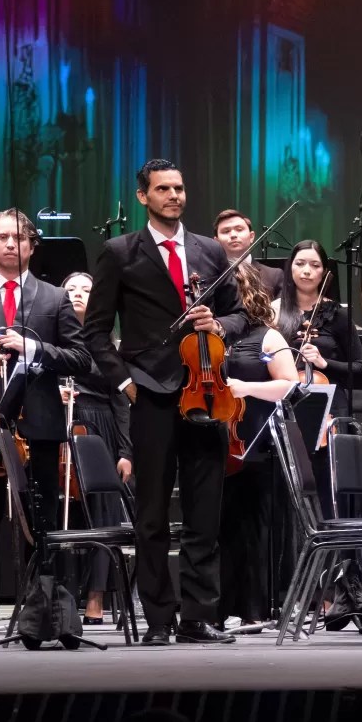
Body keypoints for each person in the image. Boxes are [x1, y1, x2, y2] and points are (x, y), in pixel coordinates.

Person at [83, 159, 250, 645]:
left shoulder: (211, 250)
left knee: (204, 512)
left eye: (179, 188)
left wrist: (218, 327)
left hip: (208, 393)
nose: (174, 196)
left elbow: (240, 315)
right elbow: (95, 332)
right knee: (153, 513)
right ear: (143, 197)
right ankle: (159, 618)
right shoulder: (119, 252)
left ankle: (198, 617)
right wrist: (125, 385)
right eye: (163, 189)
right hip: (151, 396)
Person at [0, 209, 92, 540]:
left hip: (40, 425)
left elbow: (81, 358)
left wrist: (32, 349)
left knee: (42, 521)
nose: (9, 244)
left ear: (32, 246)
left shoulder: (56, 296)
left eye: (18, 238)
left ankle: (45, 588)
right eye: (2, 237)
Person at [218, 265, 303, 628]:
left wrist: (246, 387)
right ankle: (218, 609)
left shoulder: (267, 337)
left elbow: (290, 383)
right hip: (216, 443)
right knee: (222, 528)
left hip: (255, 442)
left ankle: (256, 607)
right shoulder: (209, 337)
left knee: (254, 527)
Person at [59, 271, 134, 624]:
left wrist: (126, 451)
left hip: (99, 427)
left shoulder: (108, 344)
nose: (77, 294)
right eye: (70, 288)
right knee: (62, 517)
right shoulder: (51, 340)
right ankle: (58, 593)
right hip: (59, 426)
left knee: (104, 515)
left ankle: (95, 596)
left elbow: (122, 403)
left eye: (86, 289)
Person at [276, 241, 362, 494]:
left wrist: (324, 363)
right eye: (300, 264)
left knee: (326, 482)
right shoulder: (274, 311)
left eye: (315, 265)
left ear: (325, 273)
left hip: (329, 408)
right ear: (290, 268)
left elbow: (360, 369)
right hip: (285, 405)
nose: (306, 270)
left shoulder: (336, 314)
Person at [213, 209, 285, 297]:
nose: (233, 235)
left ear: (251, 237)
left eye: (239, 229)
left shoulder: (274, 275)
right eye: (226, 231)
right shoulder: (210, 275)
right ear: (216, 241)